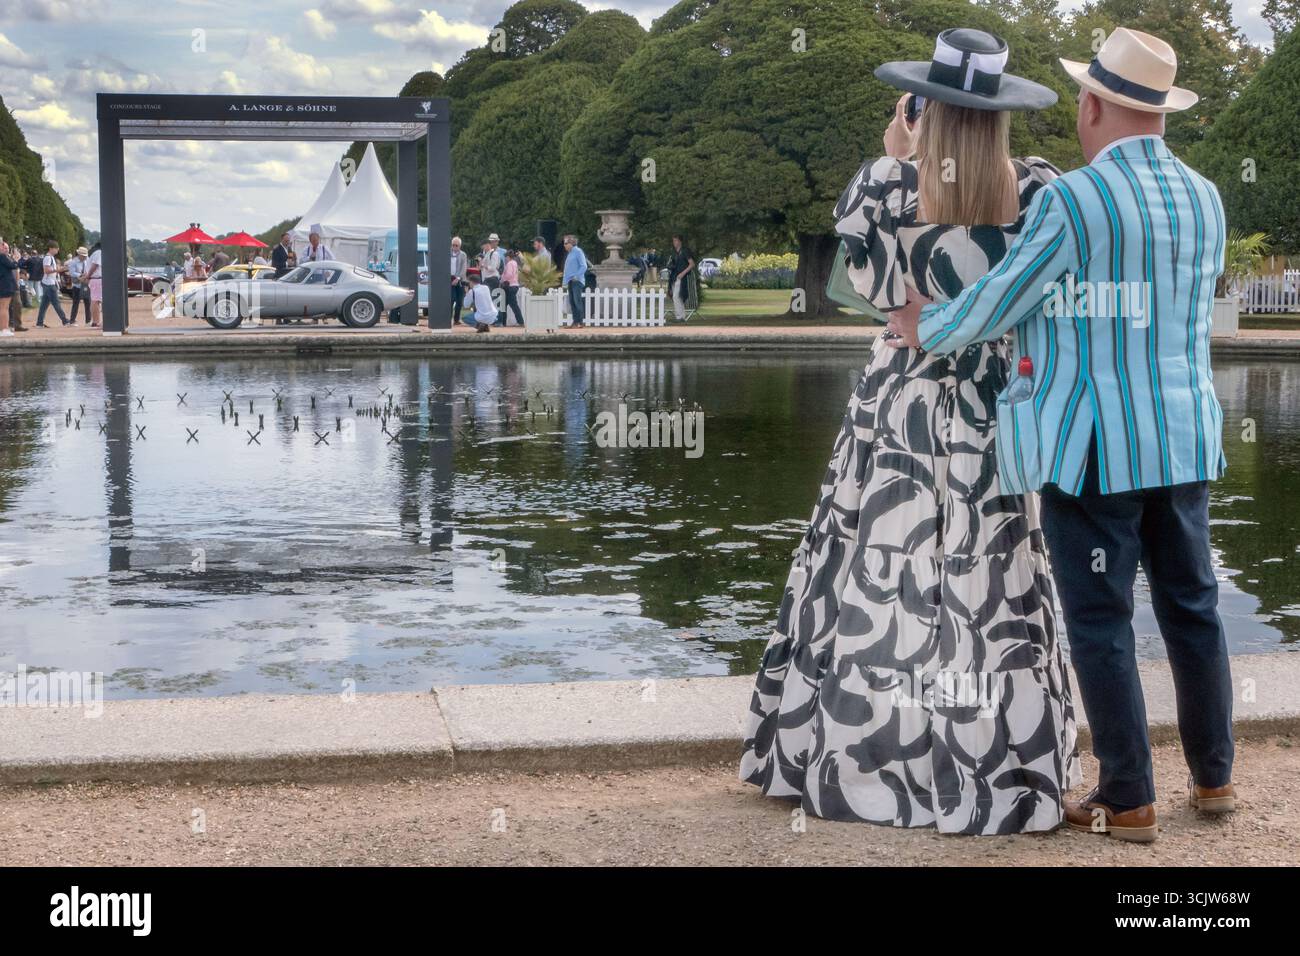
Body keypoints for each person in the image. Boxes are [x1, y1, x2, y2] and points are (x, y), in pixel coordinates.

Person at [887, 28, 1234, 844]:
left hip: (1092, 448)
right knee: (1194, 608)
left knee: (1102, 618)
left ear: (1092, 104)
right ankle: (1214, 780)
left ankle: (1128, 795)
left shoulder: (1075, 200)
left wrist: (921, 325)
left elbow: (1000, 300)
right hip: (1183, 440)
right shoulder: (1208, 196)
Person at [740, 28, 1080, 835]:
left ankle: (868, 758)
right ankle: (990, 755)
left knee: (876, 575)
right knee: (991, 582)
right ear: (1000, 114)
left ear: (925, 106)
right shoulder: (1039, 190)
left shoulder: (884, 187)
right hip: (997, 402)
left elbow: (877, 293)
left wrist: (897, 152)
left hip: (903, 405)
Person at [36, 241, 70, 327]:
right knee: (56, 303)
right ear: (51, 249)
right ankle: (65, 321)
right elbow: (46, 270)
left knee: (44, 304)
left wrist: (61, 269)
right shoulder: (48, 258)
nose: (57, 250)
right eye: (56, 248)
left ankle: (39, 323)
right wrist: (58, 270)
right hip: (49, 284)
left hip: (48, 283)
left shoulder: (51, 258)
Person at [560, 234, 588, 329]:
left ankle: (580, 322)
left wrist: (577, 276)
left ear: (571, 243)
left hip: (577, 281)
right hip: (570, 281)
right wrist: (564, 282)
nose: (564, 245)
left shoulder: (578, 251)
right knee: (572, 302)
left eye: (566, 243)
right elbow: (567, 270)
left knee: (577, 301)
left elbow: (584, 266)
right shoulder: (570, 253)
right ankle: (575, 322)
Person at [666, 235, 696, 321]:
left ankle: (679, 317)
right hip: (674, 276)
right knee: (676, 297)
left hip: (681, 277)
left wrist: (683, 273)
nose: (674, 243)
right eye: (673, 241)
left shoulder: (685, 251)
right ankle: (681, 316)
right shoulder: (674, 252)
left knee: (677, 296)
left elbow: (692, 264)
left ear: (680, 241)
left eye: (676, 240)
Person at [460, 268, 495, 333]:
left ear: (471, 282)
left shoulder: (472, 291)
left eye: (469, 282)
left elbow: (466, 305)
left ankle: (480, 326)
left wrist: (467, 293)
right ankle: (485, 325)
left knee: (465, 318)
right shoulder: (486, 287)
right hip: (493, 315)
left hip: (482, 316)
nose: (468, 284)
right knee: (480, 312)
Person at [0, 239, 20, 337]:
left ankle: (3, 328)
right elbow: (13, 265)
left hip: (3, 284)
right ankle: (4, 329)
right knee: (4, 308)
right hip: (5, 284)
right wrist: (16, 259)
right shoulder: (2, 256)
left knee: (3, 307)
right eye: (2, 246)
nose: (4, 248)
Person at [500, 249, 525, 327]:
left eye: (506, 257)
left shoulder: (510, 263)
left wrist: (502, 279)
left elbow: (509, 275)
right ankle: (504, 322)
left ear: (508, 257)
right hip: (514, 285)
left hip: (510, 286)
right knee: (506, 304)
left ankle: (520, 321)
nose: (505, 259)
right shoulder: (515, 263)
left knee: (512, 305)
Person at [66, 246, 89, 324]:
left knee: (88, 302)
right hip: (77, 285)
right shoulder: (73, 262)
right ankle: (72, 320)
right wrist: (80, 275)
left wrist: (86, 275)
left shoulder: (87, 260)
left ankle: (88, 320)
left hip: (85, 284)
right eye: (83, 256)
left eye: (85, 256)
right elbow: (72, 272)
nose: (85, 257)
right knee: (75, 303)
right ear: (79, 255)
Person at [449, 235, 468, 326]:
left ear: (460, 246)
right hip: (450, 278)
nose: (454, 247)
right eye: (453, 245)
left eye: (456, 245)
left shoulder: (463, 255)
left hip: (460, 279)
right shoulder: (447, 253)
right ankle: (448, 318)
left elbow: (464, 268)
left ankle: (456, 319)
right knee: (451, 299)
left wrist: (458, 278)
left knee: (459, 300)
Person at [85, 242, 103, 329]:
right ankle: (96, 322)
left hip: (94, 279)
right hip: (97, 278)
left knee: (95, 300)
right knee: (96, 301)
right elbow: (95, 265)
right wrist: (88, 276)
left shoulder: (94, 253)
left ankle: (95, 321)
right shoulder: (99, 253)